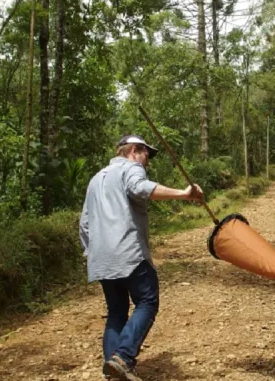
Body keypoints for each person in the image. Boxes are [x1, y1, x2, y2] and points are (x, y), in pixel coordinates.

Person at [79, 134, 203, 381]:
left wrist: (91, 252)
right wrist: (184, 193)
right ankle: (123, 357)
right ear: (134, 150)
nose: (147, 162)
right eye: (147, 155)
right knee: (147, 301)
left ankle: (113, 371)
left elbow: (84, 223)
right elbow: (140, 188)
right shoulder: (131, 168)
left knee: (116, 312)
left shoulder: (95, 179)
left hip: (100, 257)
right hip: (128, 251)